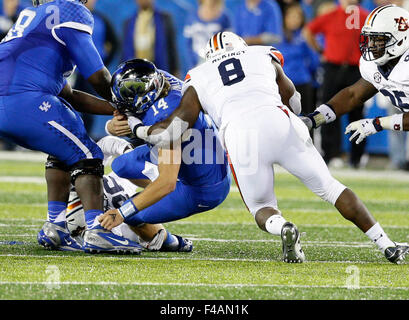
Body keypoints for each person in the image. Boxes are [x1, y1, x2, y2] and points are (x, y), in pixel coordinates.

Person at [129, 31, 409, 264]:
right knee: (332, 188)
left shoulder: (198, 76)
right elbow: (293, 98)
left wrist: (138, 128)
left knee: (261, 207)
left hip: (241, 135)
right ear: (240, 46)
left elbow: (176, 129)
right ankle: (387, 245)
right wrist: (302, 121)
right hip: (280, 121)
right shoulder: (261, 54)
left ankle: (283, 227)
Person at [0, 0, 142, 254]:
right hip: (24, 101)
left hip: (14, 99)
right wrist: (133, 103)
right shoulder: (68, 11)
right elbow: (98, 76)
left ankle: (55, 226)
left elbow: (72, 95)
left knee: (64, 147)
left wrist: (116, 110)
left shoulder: (33, 20)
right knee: (88, 154)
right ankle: (97, 230)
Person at [97, 59, 231, 249]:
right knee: (121, 165)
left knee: (131, 215)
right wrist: (113, 125)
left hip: (201, 189)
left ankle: (173, 242)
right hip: (194, 156)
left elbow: (167, 183)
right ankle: (154, 193)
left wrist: (120, 213)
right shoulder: (161, 79)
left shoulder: (166, 118)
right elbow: (129, 114)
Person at [302, 5, 409, 151]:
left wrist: (377, 123)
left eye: (378, 39)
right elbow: (353, 95)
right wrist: (314, 119)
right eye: (369, 38)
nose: (371, 45)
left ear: (401, 39)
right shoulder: (375, 65)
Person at [303, 0, 369, 168]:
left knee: (356, 112)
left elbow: (308, 31)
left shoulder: (362, 15)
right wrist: (320, 51)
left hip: (355, 68)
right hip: (333, 67)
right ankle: (331, 154)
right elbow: (308, 31)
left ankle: (357, 156)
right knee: (329, 109)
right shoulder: (334, 15)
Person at [66, 168, 193, 252]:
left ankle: (176, 242)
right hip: (126, 181)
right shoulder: (86, 179)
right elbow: (105, 144)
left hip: (125, 205)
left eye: (80, 231)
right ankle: (176, 242)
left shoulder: (113, 222)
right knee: (124, 166)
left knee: (136, 220)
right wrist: (124, 148)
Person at [72, 0, 119, 137]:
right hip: (73, 71)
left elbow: (114, 43)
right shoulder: (72, 18)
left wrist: (103, 63)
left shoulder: (100, 19)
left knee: (88, 107)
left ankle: (86, 136)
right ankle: (72, 135)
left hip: (91, 72)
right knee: (68, 102)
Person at [276, 3, 319, 135]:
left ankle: (309, 150)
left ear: (302, 19)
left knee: (307, 120)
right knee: (283, 121)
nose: (294, 19)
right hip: (284, 85)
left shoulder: (306, 36)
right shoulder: (278, 36)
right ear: (285, 18)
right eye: (291, 16)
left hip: (303, 83)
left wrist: (308, 73)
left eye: (297, 16)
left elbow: (314, 60)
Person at [122, 0, 179, 77]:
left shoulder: (164, 19)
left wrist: (175, 71)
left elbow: (172, 47)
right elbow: (125, 50)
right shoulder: (129, 22)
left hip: (160, 70)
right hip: (136, 72)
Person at [183, 0, 232, 70]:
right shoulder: (191, 17)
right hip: (196, 63)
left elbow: (229, 42)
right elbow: (187, 44)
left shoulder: (224, 17)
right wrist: (192, 64)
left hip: (217, 63)